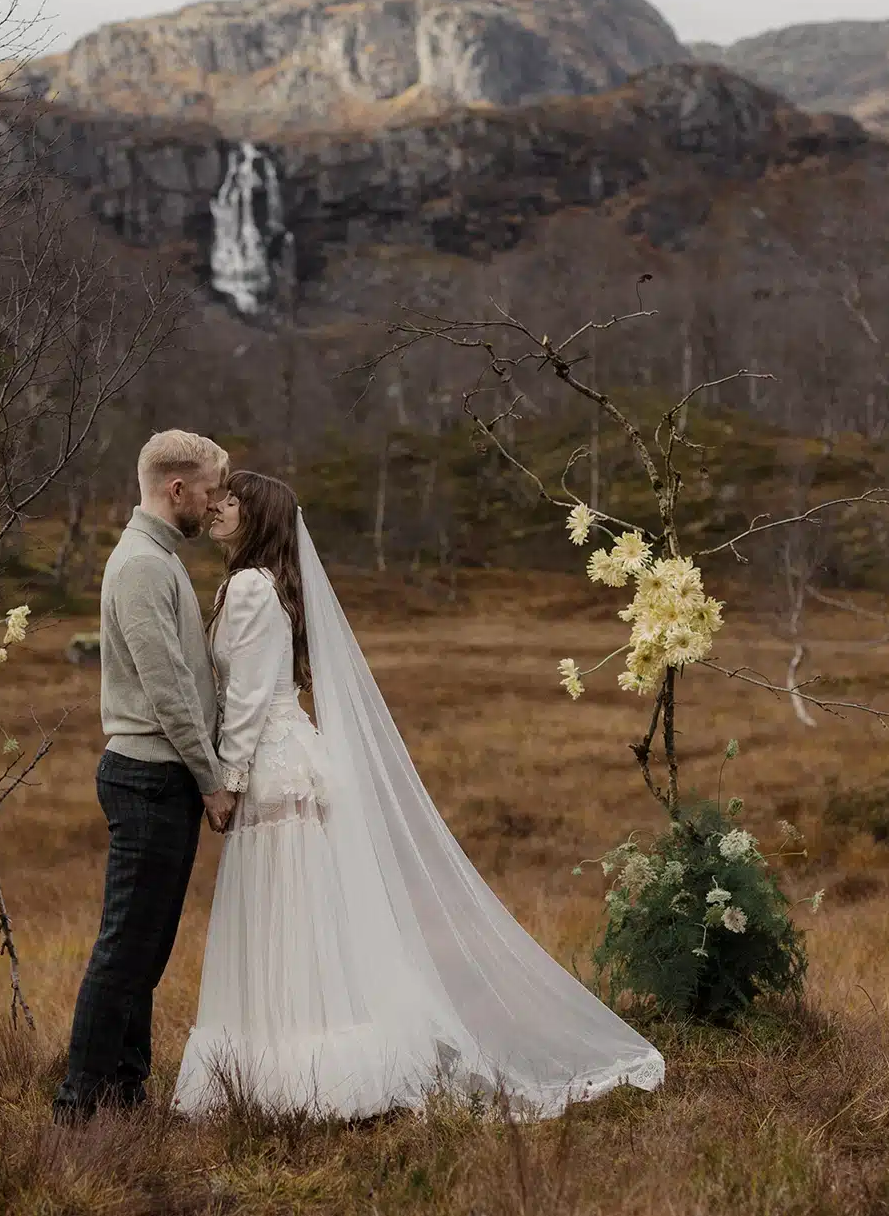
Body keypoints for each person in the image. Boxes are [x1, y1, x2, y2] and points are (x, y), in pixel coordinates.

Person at [173, 471, 665, 1119]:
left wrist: (227, 779)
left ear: (258, 517)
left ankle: (291, 1071)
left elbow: (247, 698)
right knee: (298, 915)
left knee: (281, 913)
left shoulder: (248, 588)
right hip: (291, 762)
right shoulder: (265, 585)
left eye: (231, 500)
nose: (216, 507)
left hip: (270, 768)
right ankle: (300, 1057)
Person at [53, 430, 238, 1123]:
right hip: (148, 777)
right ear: (176, 489)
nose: (215, 504)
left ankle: (125, 1098)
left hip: (162, 777)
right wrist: (212, 779)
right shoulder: (140, 566)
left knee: (145, 953)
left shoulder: (159, 559)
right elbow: (168, 691)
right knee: (125, 952)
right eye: (210, 491)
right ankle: (77, 1110)